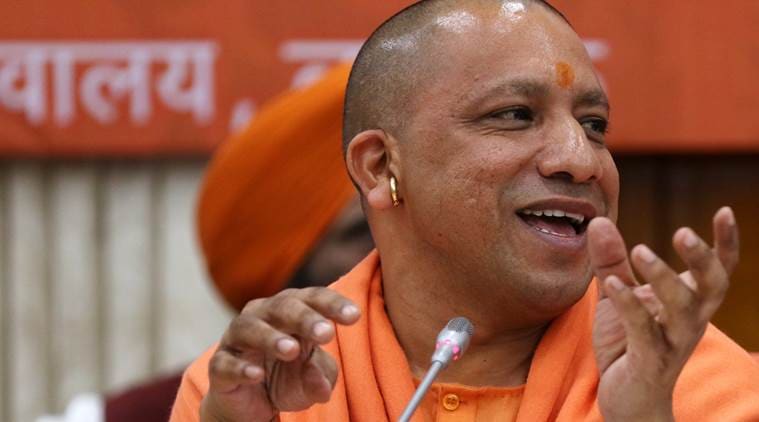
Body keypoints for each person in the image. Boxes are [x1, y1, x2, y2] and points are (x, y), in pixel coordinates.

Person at [170, 1, 759, 421]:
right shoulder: (267, 389)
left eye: (594, 125)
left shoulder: (699, 385)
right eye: (514, 115)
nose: (581, 160)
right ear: (380, 166)